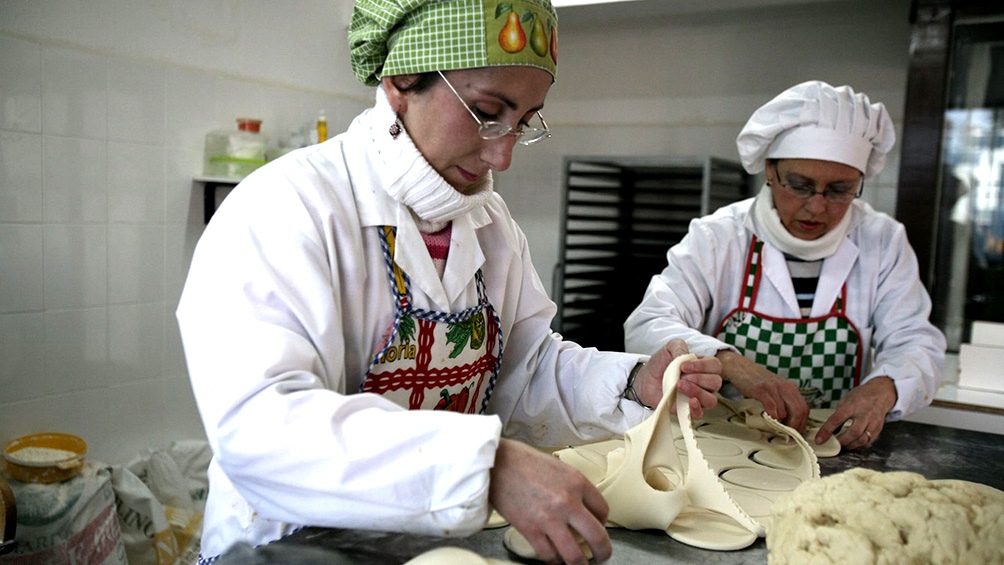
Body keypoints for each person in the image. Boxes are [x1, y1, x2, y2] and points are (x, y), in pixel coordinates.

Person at [176, 1, 723, 564]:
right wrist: (488, 467)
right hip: (288, 548)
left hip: (434, 546)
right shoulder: (285, 209)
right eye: (486, 112)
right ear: (401, 81)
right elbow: (263, 432)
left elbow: (525, 372)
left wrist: (633, 383)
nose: (503, 155)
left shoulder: (491, 225)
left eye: (524, 122)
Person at [624, 80, 946, 453]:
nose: (816, 206)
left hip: (834, 445)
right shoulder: (719, 236)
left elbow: (916, 340)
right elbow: (648, 323)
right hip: (723, 443)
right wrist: (730, 363)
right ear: (769, 171)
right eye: (799, 185)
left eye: (839, 190)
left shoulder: (881, 240)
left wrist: (886, 386)